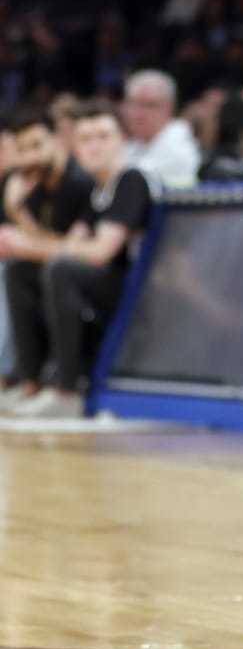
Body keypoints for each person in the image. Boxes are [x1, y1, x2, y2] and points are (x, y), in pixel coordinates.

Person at [0, 103, 153, 417]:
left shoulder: (131, 180)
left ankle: (67, 390)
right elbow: (68, 245)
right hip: (105, 286)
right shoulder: (99, 191)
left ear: (124, 140)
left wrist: (30, 245)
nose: (93, 146)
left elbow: (100, 253)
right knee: (20, 271)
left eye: (103, 136)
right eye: (85, 139)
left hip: (143, 295)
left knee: (60, 270)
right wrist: (25, 234)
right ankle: (30, 382)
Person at [121, 70, 201, 190]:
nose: (139, 113)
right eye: (134, 104)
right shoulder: (133, 144)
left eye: (150, 105)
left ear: (169, 107)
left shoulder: (178, 148)